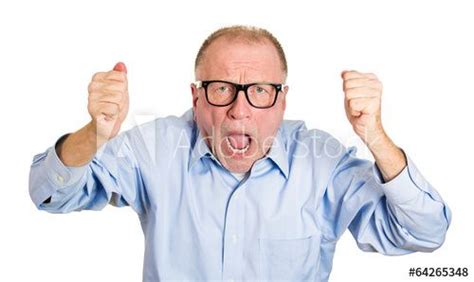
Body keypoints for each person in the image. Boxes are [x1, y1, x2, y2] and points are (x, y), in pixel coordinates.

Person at [29, 25, 451, 281]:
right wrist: (96, 133)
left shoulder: (322, 163)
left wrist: (374, 135)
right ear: (196, 97)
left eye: (260, 91)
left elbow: (424, 232)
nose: (240, 108)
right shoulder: (155, 149)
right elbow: (50, 194)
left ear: (282, 101)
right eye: (222, 88)